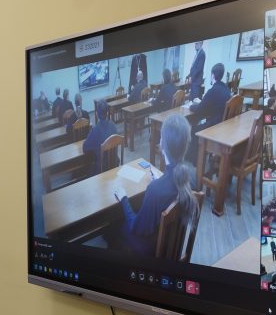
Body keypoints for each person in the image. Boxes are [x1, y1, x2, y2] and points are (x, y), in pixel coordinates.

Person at [114, 114, 200, 257]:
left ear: (162, 144)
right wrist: (160, 180)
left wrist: (123, 198)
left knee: (115, 224)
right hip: (174, 247)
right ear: (186, 144)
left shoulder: (155, 190)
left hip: (151, 249)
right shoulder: (191, 176)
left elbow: (136, 228)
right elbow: (172, 186)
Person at [83, 100, 117, 175]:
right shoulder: (113, 126)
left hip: (102, 169)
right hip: (114, 164)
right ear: (107, 113)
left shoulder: (95, 130)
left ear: (96, 114)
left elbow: (85, 148)